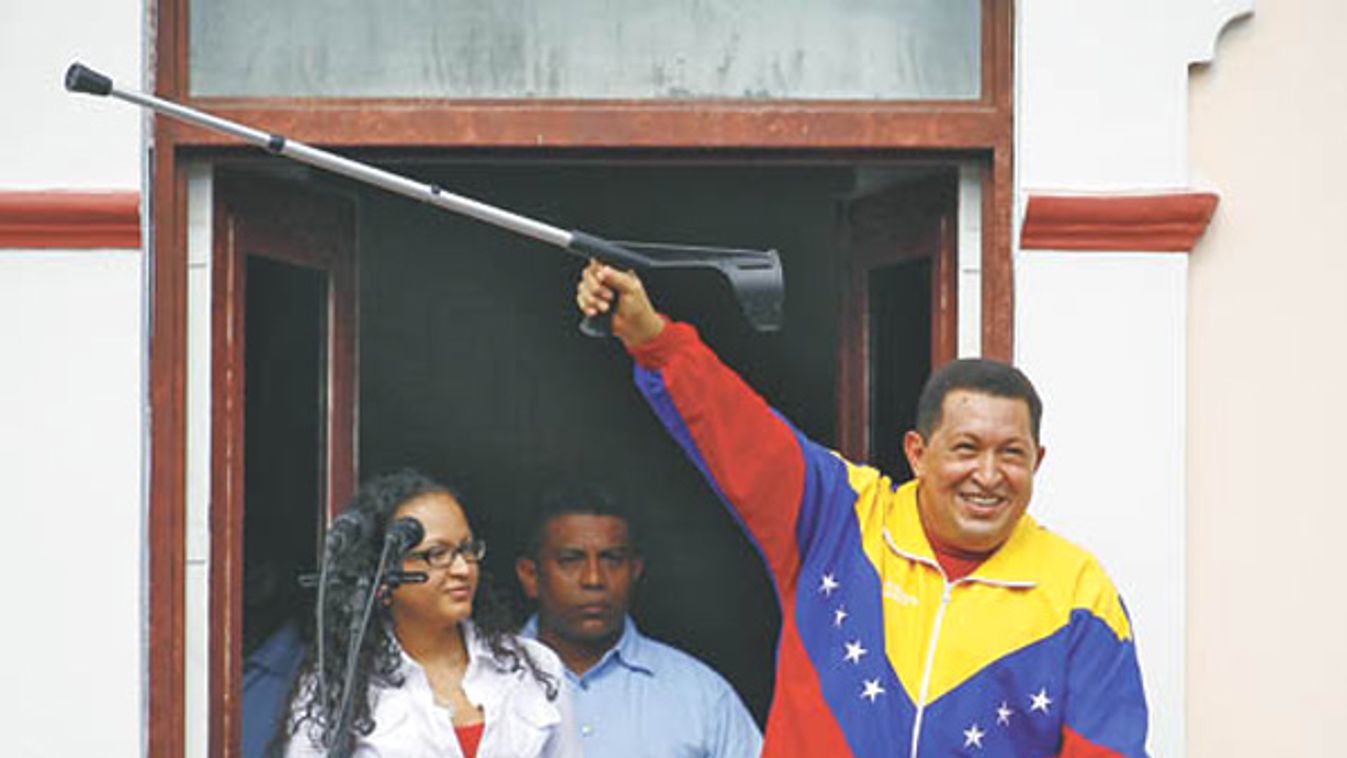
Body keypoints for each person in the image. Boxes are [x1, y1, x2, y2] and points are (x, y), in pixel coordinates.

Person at [574, 261, 1150, 757]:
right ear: (918, 454)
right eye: (967, 449)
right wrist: (652, 336)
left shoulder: (1078, 594)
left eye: (1012, 455)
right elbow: (738, 430)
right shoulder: (842, 517)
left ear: (1039, 461)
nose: (989, 475)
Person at [278, 468, 581, 758]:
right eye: (436, 555)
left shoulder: (535, 668)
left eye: (466, 549)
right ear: (382, 575)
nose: (462, 569)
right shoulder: (340, 685)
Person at [515, 486, 764, 758]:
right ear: (530, 576)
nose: (594, 579)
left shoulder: (702, 696)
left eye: (612, 559)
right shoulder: (483, 681)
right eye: (571, 560)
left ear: (635, 570)